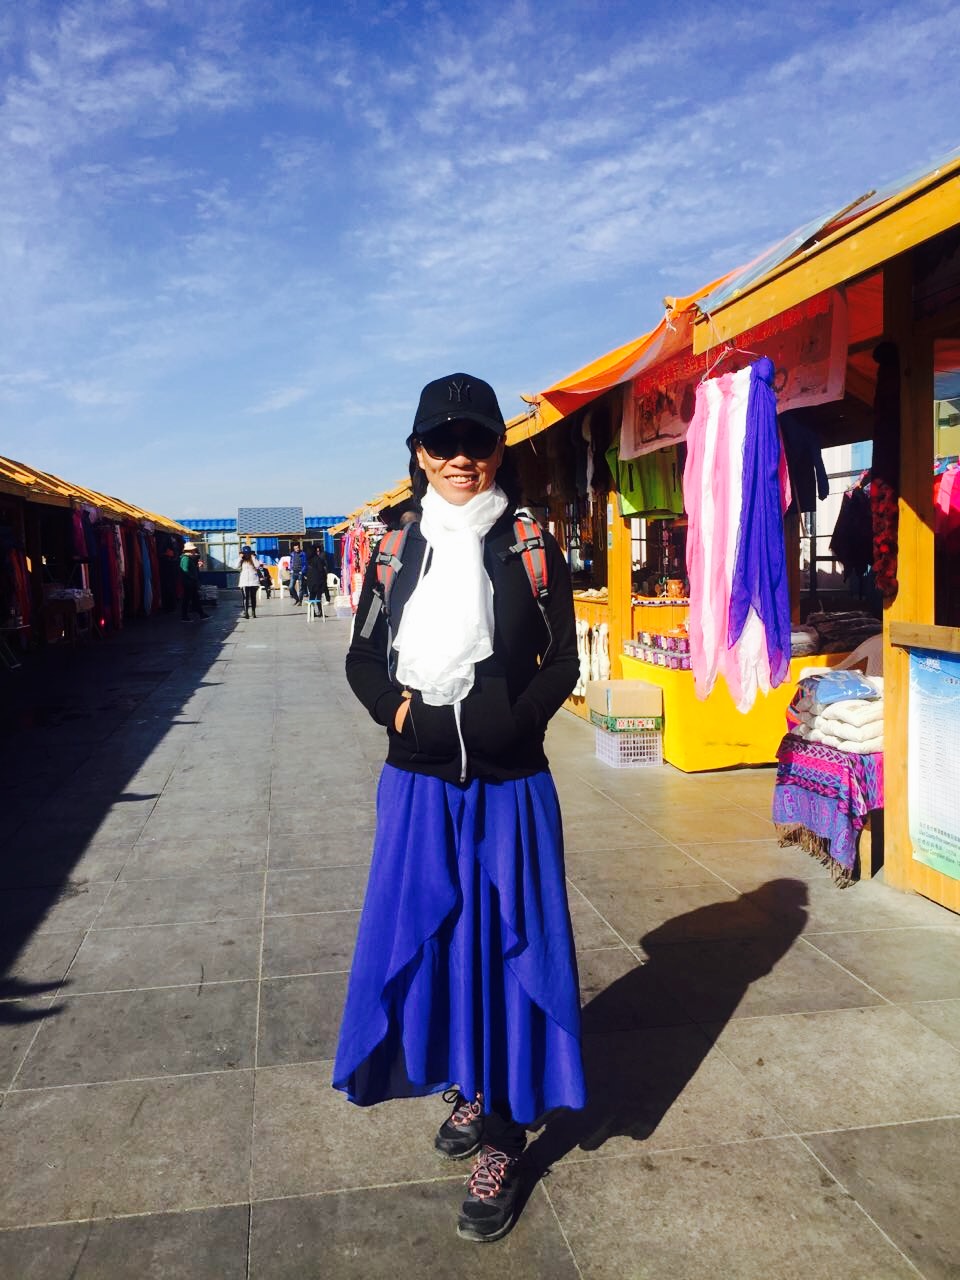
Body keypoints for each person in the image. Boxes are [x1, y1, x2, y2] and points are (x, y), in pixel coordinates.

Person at [334, 373, 586, 1244]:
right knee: (440, 944)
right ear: (417, 452)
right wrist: (399, 713)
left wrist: (511, 721)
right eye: (441, 443)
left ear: (498, 448)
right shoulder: (394, 549)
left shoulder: (529, 542)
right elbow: (363, 659)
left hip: (511, 787)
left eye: (476, 440)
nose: (460, 458)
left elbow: (564, 662)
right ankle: (474, 1087)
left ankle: (507, 1136)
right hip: (419, 785)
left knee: (512, 948)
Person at [179, 541, 208, 621]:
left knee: (194, 598)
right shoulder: (186, 558)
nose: (195, 551)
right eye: (193, 550)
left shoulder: (189, 558)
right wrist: (193, 577)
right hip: (188, 583)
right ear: (190, 550)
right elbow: (185, 570)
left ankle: (201, 614)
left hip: (191, 582)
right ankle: (185, 616)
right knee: (187, 599)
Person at [305, 544, 330, 615]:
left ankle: (312, 612)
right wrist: (324, 579)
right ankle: (320, 611)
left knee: (312, 597)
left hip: (310, 582)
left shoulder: (308, 560)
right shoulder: (317, 559)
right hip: (318, 581)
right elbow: (321, 570)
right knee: (319, 597)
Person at [237, 545, 261, 618]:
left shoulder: (253, 559)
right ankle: (246, 613)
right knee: (245, 597)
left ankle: (253, 612)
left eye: (248, 553)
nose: (246, 554)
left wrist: (253, 557)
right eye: (245, 553)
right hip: (244, 581)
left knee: (253, 597)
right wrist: (240, 558)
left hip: (253, 581)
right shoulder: (242, 560)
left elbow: (257, 565)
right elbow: (236, 566)